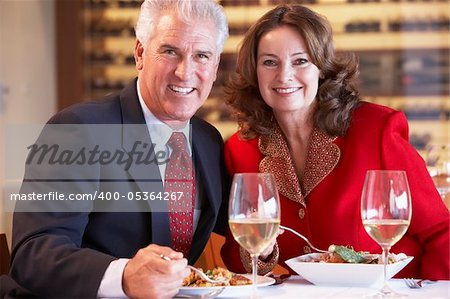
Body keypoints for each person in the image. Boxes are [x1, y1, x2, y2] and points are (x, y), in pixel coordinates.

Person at [5, 0, 230, 298]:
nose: (184, 71)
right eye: (169, 51)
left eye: (202, 55)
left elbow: (244, 226)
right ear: (140, 53)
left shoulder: (208, 140)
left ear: (215, 67)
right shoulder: (79, 129)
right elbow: (34, 254)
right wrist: (124, 276)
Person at [220, 4, 450, 280]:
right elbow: (237, 257)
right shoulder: (240, 149)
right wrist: (263, 251)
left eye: (300, 61)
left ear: (321, 68)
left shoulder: (376, 130)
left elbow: (440, 233)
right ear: (254, 72)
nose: (284, 76)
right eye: (269, 62)